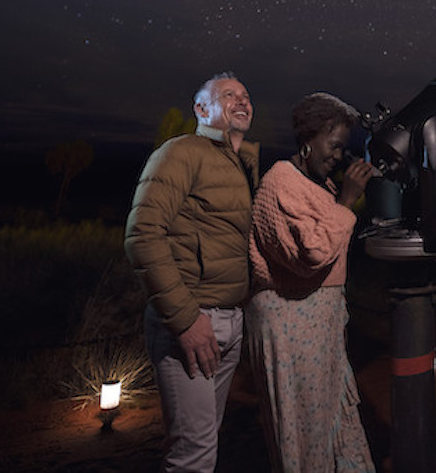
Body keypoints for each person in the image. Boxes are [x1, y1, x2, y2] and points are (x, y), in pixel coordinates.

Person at [125, 72, 259, 472]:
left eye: (246, 96)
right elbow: (143, 235)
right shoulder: (180, 152)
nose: (242, 101)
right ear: (201, 109)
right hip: (192, 323)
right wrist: (185, 321)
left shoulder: (241, 165)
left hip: (229, 323)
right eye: (228, 95)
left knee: (203, 443)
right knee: (193, 457)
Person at [247, 92, 377, 473]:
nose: (339, 156)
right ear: (309, 138)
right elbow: (314, 255)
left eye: (344, 149)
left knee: (327, 425)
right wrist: (349, 200)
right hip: (290, 326)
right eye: (334, 146)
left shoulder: (319, 184)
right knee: (303, 433)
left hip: (316, 327)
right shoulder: (280, 183)